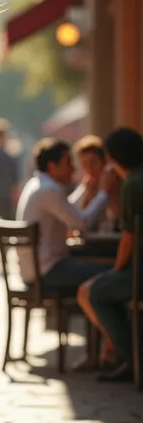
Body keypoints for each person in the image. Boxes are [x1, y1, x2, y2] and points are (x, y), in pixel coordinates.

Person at [77, 127, 143, 382]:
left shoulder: (132, 184)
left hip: (138, 273)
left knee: (96, 291)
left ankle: (131, 356)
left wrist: (117, 270)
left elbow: (127, 239)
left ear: (112, 159)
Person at [16, 138, 113, 297]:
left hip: (36, 269)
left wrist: (85, 188)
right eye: (68, 162)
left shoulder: (39, 184)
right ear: (53, 166)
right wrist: (104, 193)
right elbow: (82, 223)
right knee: (107, 274)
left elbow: (67, 210)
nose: (73, 169)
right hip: (48, 270)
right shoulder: (49, 190)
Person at [71, 134, 120, 229]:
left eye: (93, 162)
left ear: (104, 161)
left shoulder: (114, 180)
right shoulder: (88, 183)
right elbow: (73, 212)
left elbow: (115, 216)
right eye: (84, 164)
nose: (89, 168)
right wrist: (86, 192)